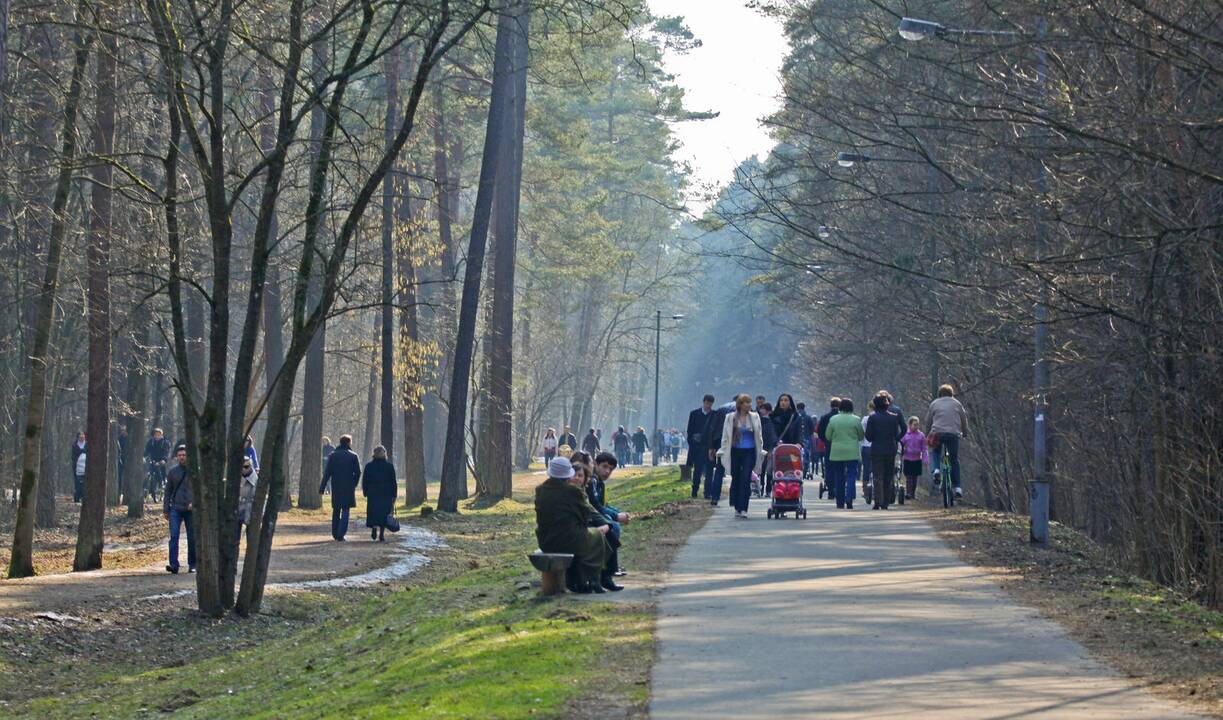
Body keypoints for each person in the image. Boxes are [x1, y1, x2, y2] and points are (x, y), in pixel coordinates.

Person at [535, 456, 611, 594]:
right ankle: (592, 579)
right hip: (569, 539)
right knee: (597, 536)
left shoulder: (540, 490)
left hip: (545, 541)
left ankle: (583, 581)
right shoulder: (573, 491)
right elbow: (585, 515)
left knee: (587, 538)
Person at [718, 394, 765, 519]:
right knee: (736, 478)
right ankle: (736, 506)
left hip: (749, 451)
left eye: (750, 402)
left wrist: (761, 450)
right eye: (746, 403)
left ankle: (744, 507)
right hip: (735, 451)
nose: (749, 405)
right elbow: (725, 436)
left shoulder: (755, 417)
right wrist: (722, 450)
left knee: (745, 479)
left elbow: (759, 436)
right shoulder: (730, 417)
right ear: (740, 405)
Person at [588, 452, 628, 589]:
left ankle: (607, 573)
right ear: (595, 464)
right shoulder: (592, 480)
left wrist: (618, 512)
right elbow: (595, 506)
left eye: (610, 469)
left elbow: (604, 504)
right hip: (586, 519)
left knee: (612, 523)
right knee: (613, 525)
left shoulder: (599, 483)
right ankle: (606, 574)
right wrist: (616, 517)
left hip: (592, 517)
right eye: (604, 466)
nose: (607, 471)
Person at [926, 384, 969, 497]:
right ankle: (958, 487)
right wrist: (965, 433)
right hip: (953, 434)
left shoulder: (934, 403)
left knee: (935, 451)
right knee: (954, 459)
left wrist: (927, 434)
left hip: (937, 433)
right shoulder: (957, 404)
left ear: (940, 394)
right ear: (951, 394)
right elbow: (964, 420)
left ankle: (936, 470)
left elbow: (928, 421)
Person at [865, 394, 906, 509]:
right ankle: (886, 502)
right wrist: (896, 439)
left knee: (878, 475)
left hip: (877, 449)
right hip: (890, 448)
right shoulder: (894, 417)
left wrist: (875, 438)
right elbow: (902, 430)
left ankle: (878, 500)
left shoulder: (872, 418)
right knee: (889, 475)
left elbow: (868, 436)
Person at [320, 434, 361, 541]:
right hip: (348, 486)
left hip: (336, 486)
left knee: (336, 509)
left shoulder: (333, 455)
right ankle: (341, 533)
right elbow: (358, 472)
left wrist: (322, 487)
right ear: (348, 443)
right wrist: (354, 484)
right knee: (346, 510)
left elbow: (327, 473)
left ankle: (335, 532)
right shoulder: (353, 456)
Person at [825, 399, 864, 509]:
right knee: (852, 474)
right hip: (852, 451)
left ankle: (839, 501)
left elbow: (828, 436)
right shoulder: (856, 420)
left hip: (837, 451)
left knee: (838, 475)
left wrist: (836, 439)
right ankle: (849, 498)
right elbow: (861, 436)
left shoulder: (833, 419)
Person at [163, 445, 195, 574]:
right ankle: (174, 564)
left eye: (184, 455)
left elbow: (200, 490)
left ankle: (193, 564)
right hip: (175, 508)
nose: (182, 457)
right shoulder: (173, 472)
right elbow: (168, 491)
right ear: (177, 457)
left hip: (191, 509)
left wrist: (195, 503)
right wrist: (166, 509)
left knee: (192, 538)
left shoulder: (195, 471)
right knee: (174, 536)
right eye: (180, 455)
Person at [362, 445, 397, 542]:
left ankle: (374, 527)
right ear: (384, 454)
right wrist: (394, 494)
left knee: (373, 511)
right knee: (384, 513)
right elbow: (393, 481)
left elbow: (365, 480)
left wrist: (365, 491)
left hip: (373, 492)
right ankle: (381, 534)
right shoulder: (389, 466)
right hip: (386, 492)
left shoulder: (369, 466)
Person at [704, 401, 736, 505]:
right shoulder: (743, 409)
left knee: (719, 469)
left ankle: (714, 497)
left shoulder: (721, 408)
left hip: (721, 441)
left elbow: (712, 428)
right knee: (737, 472)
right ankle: (734, 498)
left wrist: (711, 446)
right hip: (736, 442)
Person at [686, 395, 716, 498]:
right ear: (703, 402)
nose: (708, 405)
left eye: (710, 403)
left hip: (709, 447)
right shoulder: (694, 414)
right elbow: (690, 430)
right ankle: (694, 490)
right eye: (707, 403)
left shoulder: (714, 415)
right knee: (697, 470)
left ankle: (707, 492)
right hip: (697, 447)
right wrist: (692, 444)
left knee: (709, 471)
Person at [900, 417, 928, 500]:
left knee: (915, 477)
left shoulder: (921, 435)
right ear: (910, 425)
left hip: (917, 459)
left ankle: (913, 494)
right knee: (908, 477)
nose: (916, 427)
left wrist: (925, 459)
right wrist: (901, 451)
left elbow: (924, 448)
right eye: (914, 425)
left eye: (917, 425)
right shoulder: (906, 435)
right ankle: (908, 493)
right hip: (907, 458)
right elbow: (901, 444)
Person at [143, 428, 171, 502]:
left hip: (161, 461)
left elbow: (166, 452)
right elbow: (146, 451)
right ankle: (147, 490)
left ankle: (162, 485)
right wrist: (143, 457)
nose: (157, 436)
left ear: (161, 435)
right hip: (152, 460)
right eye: (156, 435)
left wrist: (164, 460)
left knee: (161, 475)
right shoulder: (151, 442)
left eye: (159, 435)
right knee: (149, 474)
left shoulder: (165, 442)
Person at [816, 398, 840, 480]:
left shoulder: (825, 417)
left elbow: (820, 431)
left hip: (829, 444)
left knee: (829, 466)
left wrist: (825, 440)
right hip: (840, 444)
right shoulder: (841, 417)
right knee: (840, 466)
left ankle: (830, 485)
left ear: (831, 405)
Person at [238, 455, 259, 527]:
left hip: (251, 514)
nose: (243, 469)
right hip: (237, 514)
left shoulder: (257, 481)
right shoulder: (235, 478)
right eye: (241, 466)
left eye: (246, 467)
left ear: (251, 466)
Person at [796, 402, 814, 478]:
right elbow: (812, 429)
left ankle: (797, 469)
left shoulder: (795, 417)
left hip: (797, 440)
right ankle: (805, 470)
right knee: (806, 455)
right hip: (806, 438)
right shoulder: (808, 417)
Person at [860, 409, 873, 503]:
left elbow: (861, 433)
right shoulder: (879, 418)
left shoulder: (865, 419)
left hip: (866, 446)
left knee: (866, 468)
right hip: (876, 446)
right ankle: (875, 489)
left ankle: (865, 490)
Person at [70, 431, 87, 502]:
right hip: (77, 467)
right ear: (77, 437)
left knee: (85, 483)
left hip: (86, 467)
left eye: (83, 436)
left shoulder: (87, 444)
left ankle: (84, 497)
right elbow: (73, 457)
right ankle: (77, 497)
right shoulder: (74, 446)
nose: (82, 437)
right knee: (77, 483)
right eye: (80, 436)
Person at [116, 427, 128, 497]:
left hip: (127, 459)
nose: (123, 432)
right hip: (121, 459)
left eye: (125, 430)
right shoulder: (119, 438)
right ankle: (119, 491)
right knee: (120, 476)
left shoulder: (130, 438)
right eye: (123, 430)